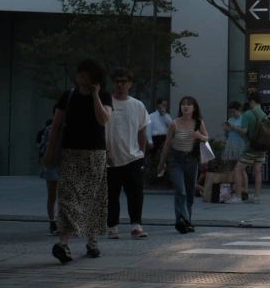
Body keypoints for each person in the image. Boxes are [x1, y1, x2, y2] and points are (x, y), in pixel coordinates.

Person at [42, 59, 113, 263]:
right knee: (67, 196)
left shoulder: (105, 96)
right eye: (80, 74)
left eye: (86, 75)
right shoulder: (68, 95)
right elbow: (56, 125)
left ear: (95, 78)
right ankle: (63, 244)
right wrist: (49, 152)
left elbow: (104, 120)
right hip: (71, 152)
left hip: (95, 153)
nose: (82, 78)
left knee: (92, 197)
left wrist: (95, 96)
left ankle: (92, 241)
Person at [105, 68, 150, 239]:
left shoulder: (137, 105)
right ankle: (112, 227)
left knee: (136, 194)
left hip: (133, 157)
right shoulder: (107, 103)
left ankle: (136, 225)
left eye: (124, 81)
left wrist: (142, 154)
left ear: (130, 84)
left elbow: (142, 131)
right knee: (112, 194)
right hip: (111, 157)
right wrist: (107, 151)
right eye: (117, 81)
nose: (120, 84)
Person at [157, 97, 210, 233]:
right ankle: (181, 220)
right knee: (181, 190)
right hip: (176, 160)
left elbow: (207, 139)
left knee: (190, 193)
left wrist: (198, 136)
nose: (185, 107)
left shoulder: (198, 123)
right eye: (183, 104)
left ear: (194, 108)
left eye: (189, 105)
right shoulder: (174, 124)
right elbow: (168, 143)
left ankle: (187, 221)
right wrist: (161, 163)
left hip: (191, 159)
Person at [228, 92, 268, 204]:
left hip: (250, 147)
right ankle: (256, 197)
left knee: (238, 169)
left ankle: (238, 196)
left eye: (249, 102)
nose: (249, 104)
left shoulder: (248, 114)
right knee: (258, 171)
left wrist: (235, 128)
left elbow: (244, 131)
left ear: (253, 101)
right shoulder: (264, 114)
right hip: (262, 146)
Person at [36, 110, 58, 234]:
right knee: (52, 194)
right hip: (52, 165)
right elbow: (42, 146)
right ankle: (52, 221)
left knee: (65, 196)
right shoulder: (49, 129)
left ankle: (64, 221)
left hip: (65, 163)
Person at [220, 101, 246, 202]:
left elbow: (244, 133)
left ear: (238, 110)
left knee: (241, 169)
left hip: (240, 143)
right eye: (230, 112)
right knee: (230, 168)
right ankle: (231, 189)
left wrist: (233, 127)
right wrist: (226, 130)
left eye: (233, 112)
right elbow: (227, 135)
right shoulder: (231, 119)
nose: (232, 114)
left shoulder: (243, 119)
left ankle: (244, 189)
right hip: (231, 143)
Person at [147, 99, 173, 178]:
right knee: (154, 157)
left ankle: (163, 175)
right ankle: (154, 175)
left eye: (166, 105)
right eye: (163, 105)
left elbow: (171, 125)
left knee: (164, 156)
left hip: (165, 138)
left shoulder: (167, 116)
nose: (165, 107)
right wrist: (150, 141)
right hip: (155, 138)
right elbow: (148, 129)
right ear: (158, 106)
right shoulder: (151, 116)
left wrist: (164, 115)